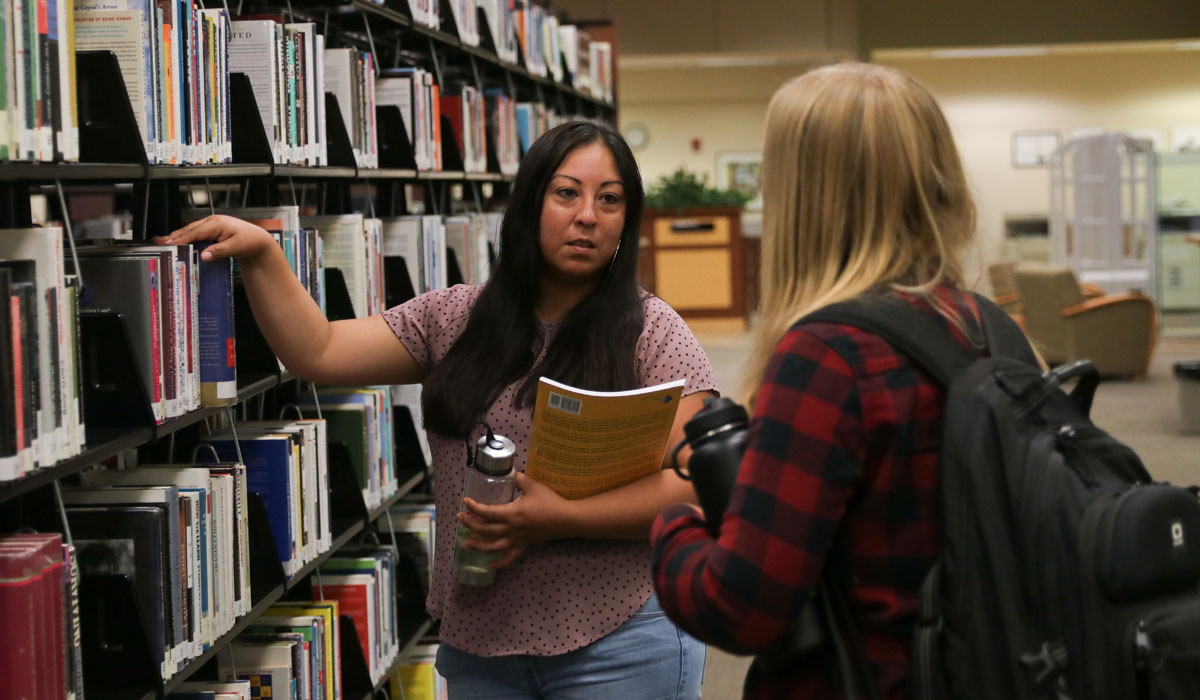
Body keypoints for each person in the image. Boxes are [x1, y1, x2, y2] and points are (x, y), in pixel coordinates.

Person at [159, 121, 715, 699]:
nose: (587, 217)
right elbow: (317, 350)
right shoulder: (453, 318)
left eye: (610, 200)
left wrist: (556, 517)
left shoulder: (653, 331)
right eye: (567, 192)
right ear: (529, 205)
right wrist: (263, 254)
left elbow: (696, 482)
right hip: (481, 644)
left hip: (620, 638)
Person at [649, 62, 985, 699]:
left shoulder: (827, 359)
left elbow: (738, 606)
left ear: (803, 193)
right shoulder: (990, 329)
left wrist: (672, 523)